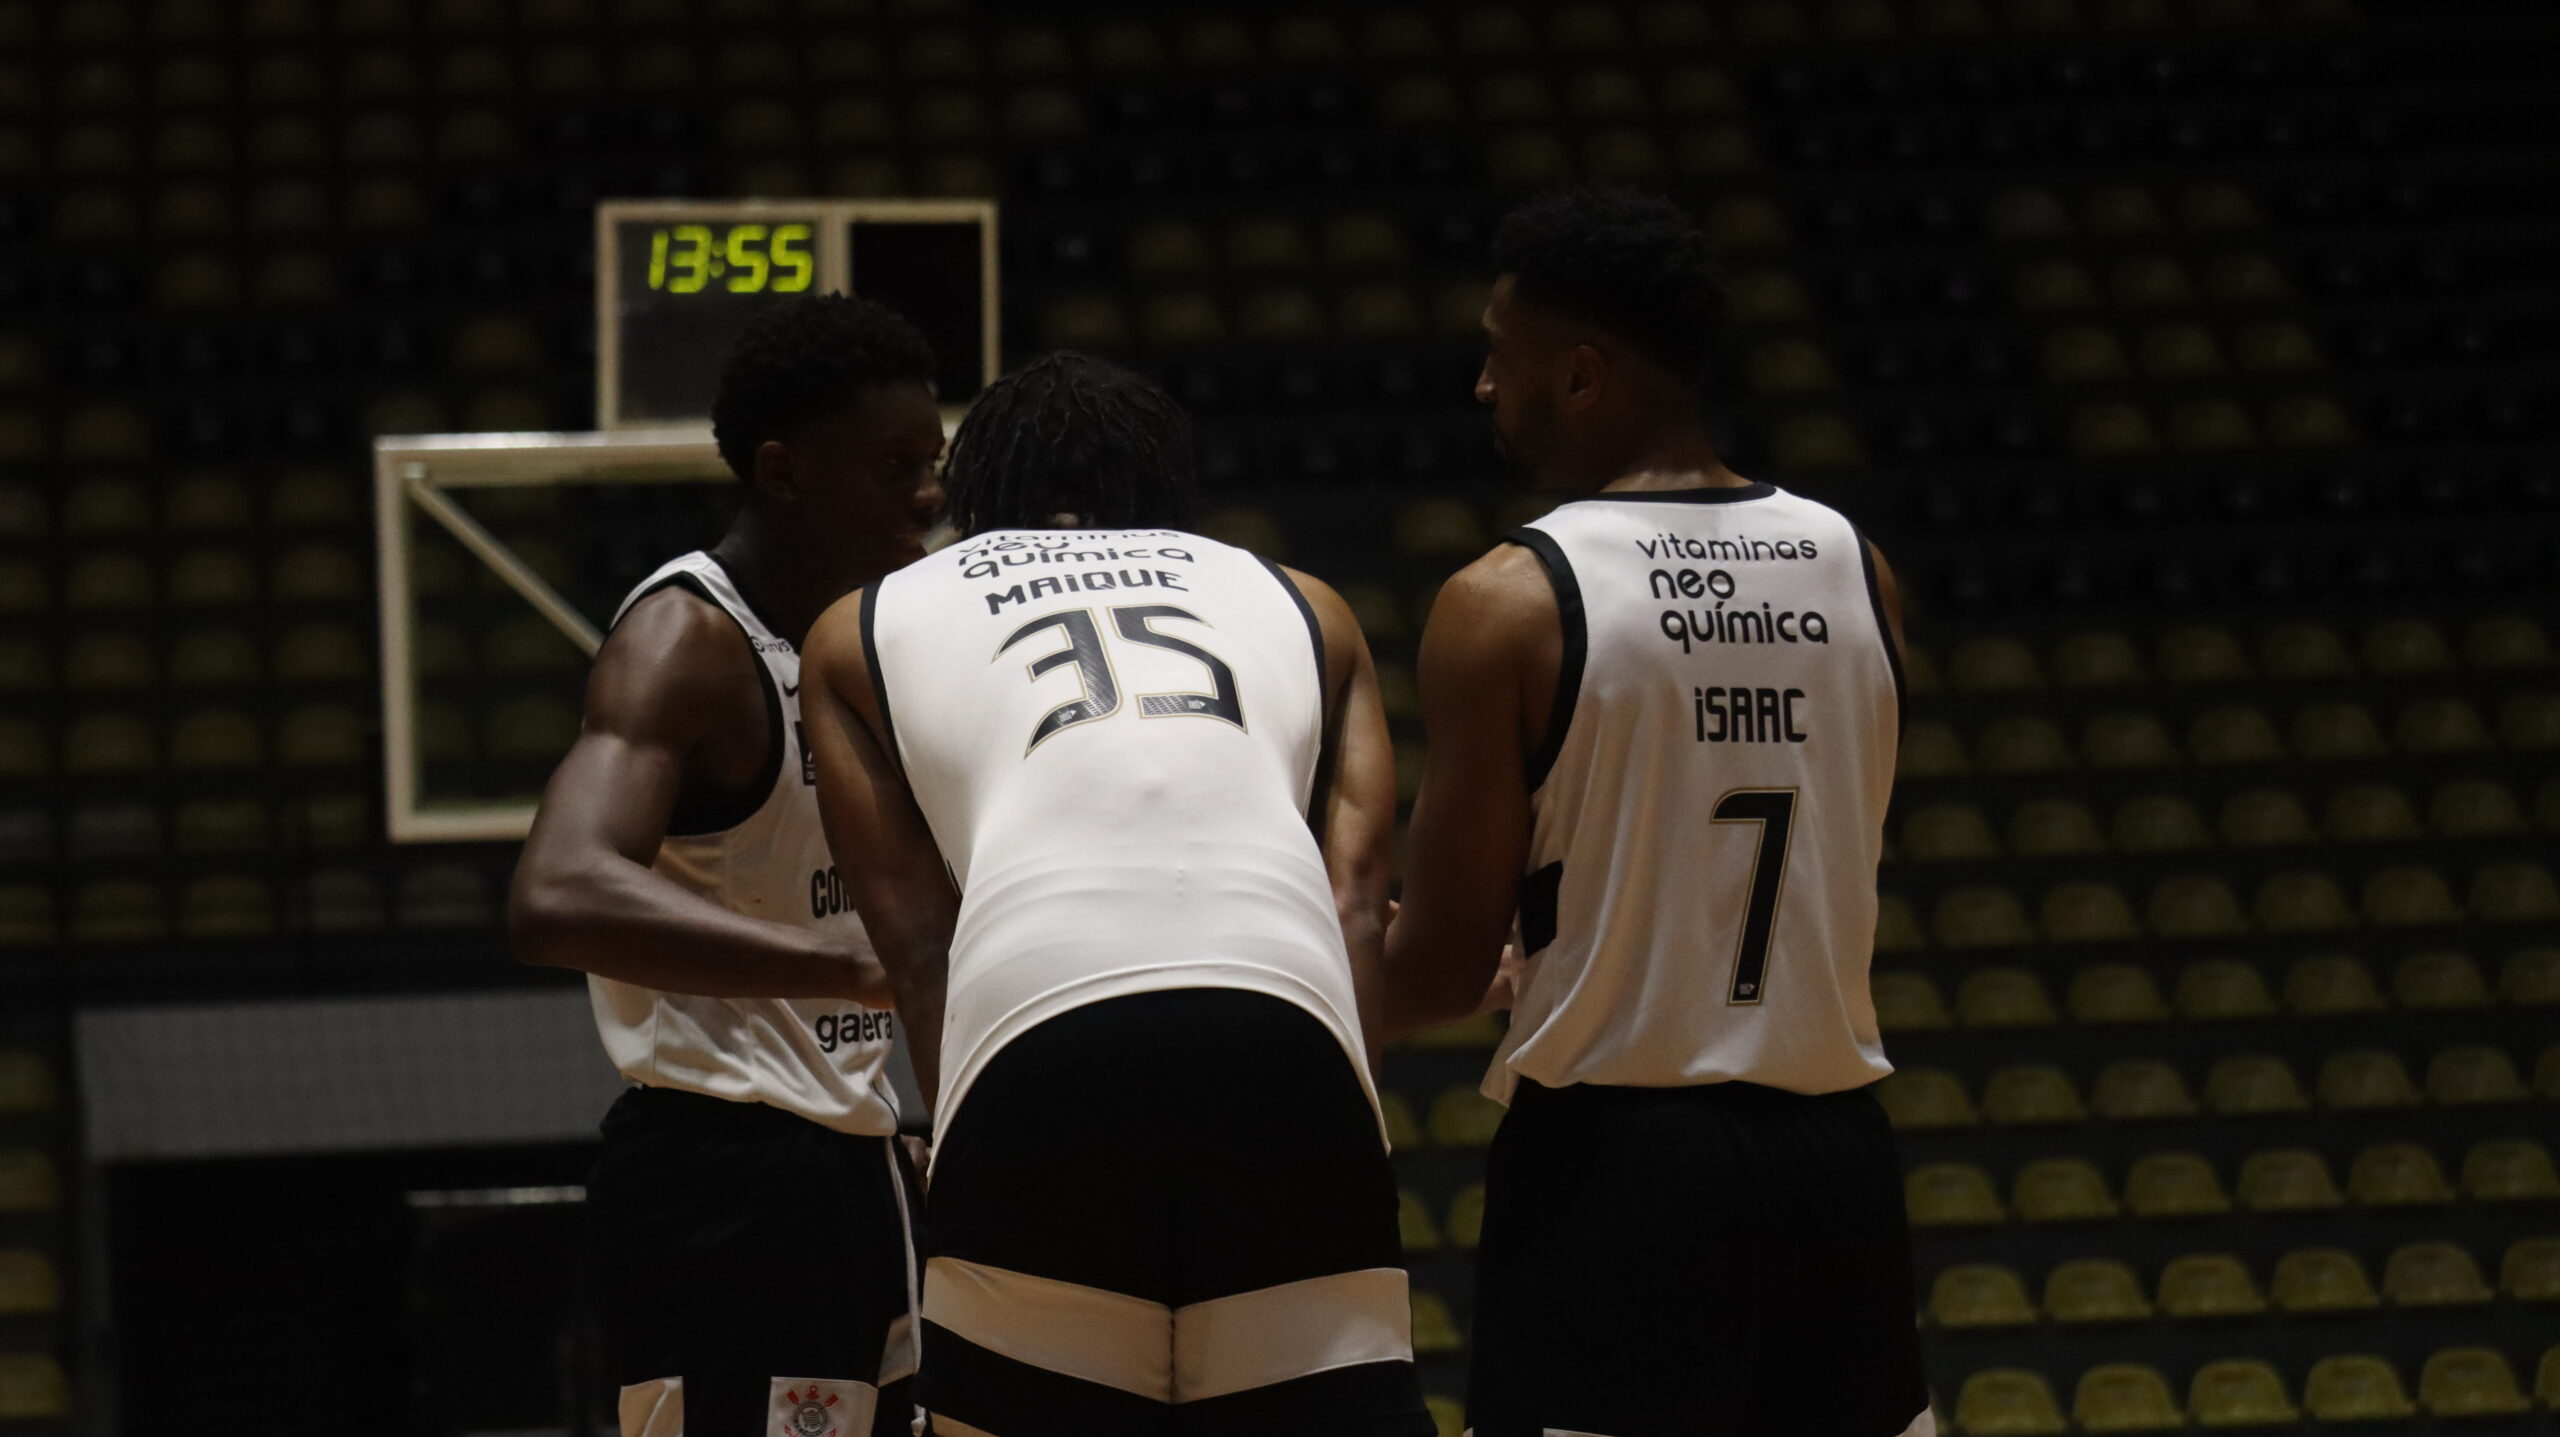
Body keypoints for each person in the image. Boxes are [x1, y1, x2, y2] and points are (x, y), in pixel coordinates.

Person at [1374, 186, 1930, 1437]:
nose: (1480, 386)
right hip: (1832, 1156)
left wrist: (1289, 991)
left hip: (1617, 1170)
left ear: (1577, 374)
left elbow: (1447, 962)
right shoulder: (1857, 566)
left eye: (1496, 353)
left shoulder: (1509, 599)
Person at [796, 353, 1434, 1437]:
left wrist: (966, 1147)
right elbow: (1354, 903)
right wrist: (1337, 1131)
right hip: (1287, 1044)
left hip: (1036, 1049)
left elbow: (916, 939)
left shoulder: (857, 625)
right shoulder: (1307, 605)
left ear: (972, 491)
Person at [507, 294, 947, 1437]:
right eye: (894, 466)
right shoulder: (686, 642)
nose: (929, 494)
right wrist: (831, 963)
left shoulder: (881, 639)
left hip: (858, 1160)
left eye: (934, 461)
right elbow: (556, 894)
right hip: (724, 1173)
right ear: (784, 473)